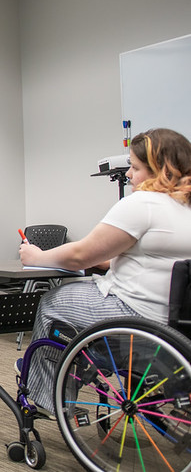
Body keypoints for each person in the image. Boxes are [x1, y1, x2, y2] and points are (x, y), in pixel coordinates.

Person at [18, 127, 191, 414]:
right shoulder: (184, 207)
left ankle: (48, 395)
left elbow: (79, 254)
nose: (130, 176)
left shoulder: (143, 203)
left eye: (135, 168)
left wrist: (37, 255)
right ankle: (70, 364)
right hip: (177, 324)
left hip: (137, 316)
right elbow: (164, 262)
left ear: (160, 169)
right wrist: (111, 262)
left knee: (53, 302)